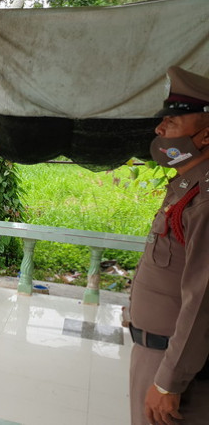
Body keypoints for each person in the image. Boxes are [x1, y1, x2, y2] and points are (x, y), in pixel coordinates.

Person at [128, 66, 209, 425]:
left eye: (172, 124)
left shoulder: (205, 199)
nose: (160, 131)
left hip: (173, 366)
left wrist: (167, 382)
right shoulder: (185, 184)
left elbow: (203, 296)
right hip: (154, 351)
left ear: (205, 136)